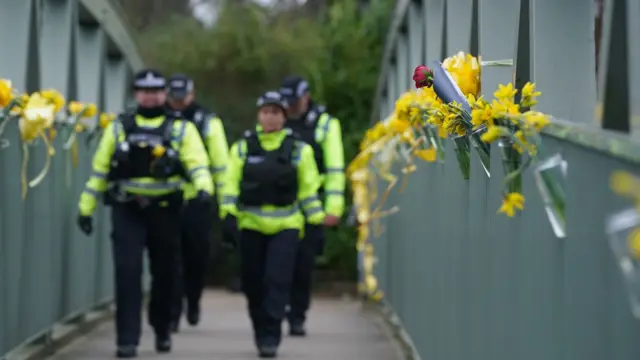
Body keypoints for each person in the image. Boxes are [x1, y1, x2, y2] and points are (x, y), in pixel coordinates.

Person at [76, 69, 213, 358]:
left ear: (164, 94)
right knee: (128, 273)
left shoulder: (180, 129)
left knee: (165, 274)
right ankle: (127, 339)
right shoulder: (119, 127)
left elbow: (197, 161)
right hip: (128, 209)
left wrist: (203, 189)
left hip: (165, 210)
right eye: (144, 90)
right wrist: (86, 207)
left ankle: (162, 328)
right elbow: (100, 170)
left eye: (155, 91)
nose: (150, 96)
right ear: (135, 94)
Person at [220, 91, 326, 358]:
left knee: (277, 280)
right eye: (266, 111)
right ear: (258, 115)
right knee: (254, 282)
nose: (270, 117)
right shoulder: (243, 147)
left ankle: (271, 335)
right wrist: (228, 215)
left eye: (276, 112)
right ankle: (259, 328)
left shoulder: (298, 149)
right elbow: (229, 185)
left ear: (284, 116)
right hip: (251, 224)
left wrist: (316, 224)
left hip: (286, 224)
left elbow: (308, 191)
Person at [279, 75, 345, 336]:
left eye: (294, 102)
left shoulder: (326, 125)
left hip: (312, 207)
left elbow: (335, 169)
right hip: (278, 203)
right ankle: (278, 308)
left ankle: (297, 315)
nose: (289, 107)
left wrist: (333, 207)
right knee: (276, 264)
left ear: (306, 97)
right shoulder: (276, 117)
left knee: (302, 265)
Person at [165, 73, 229, 332]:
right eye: (174, 98)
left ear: (192, 95)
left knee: (196, 258)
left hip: (198, 201)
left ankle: (193, 299)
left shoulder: (207, 122)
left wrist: (225, 207)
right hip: (167, 199)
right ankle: (172, 311)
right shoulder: (158, 119)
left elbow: (221, 165)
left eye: (183, 98)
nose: (178, 103)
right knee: (170, 258)